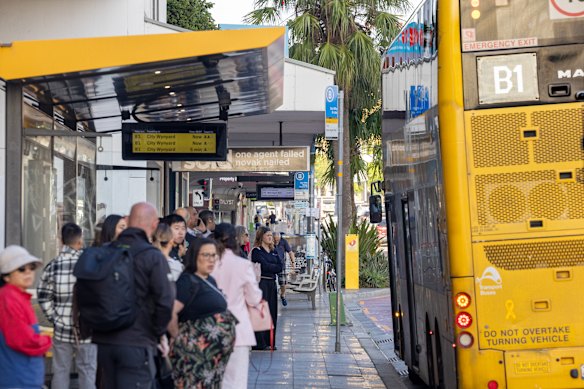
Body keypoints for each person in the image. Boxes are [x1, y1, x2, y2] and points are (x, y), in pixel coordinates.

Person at [91, 202, 175, 389]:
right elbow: (165, 301)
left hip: (104, 341)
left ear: (128, 221)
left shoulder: (105, 252)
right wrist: (157, 333)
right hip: (137, 342)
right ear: (154, 225)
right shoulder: (153, 256)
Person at [169, 238, 238, 388]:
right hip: (195, 357)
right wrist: (181, 341)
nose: (211, 260)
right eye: (205, 255)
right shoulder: (187, 281)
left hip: (212, 359)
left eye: (213, 255)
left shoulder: (209, 280)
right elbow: (170, 313)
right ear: (194, 256)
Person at [37, 223, 98, 389]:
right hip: (86, 330)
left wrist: (55, 318)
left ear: (60, 240)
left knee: (60, 371)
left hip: (62, 330)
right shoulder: (90, 265)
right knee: (87, 371)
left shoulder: (53, 266)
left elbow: (43, 296)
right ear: (80, 241)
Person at [211, 223, 263, 388]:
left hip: (211, 327)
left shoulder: (207, 263)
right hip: (238, 329)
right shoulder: (243, 265)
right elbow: (255, 299)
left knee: (213, 378)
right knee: (236, 381)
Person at [0, 245, 52, 388]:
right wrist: (46, 340)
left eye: (32, 267)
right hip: (18, 380)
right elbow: (23, 340)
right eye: (22, 269)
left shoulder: (16, 297)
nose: (28, 272)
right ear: (6, 276)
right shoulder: (9, 299)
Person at [251, 227, 282, 350]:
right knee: (261, 312)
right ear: (261, 236)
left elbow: (280, 266)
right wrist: (272, 266)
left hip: (272, 284)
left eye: (271, 235)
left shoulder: (274, 251)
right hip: (261, 283)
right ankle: (260, 342)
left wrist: (271, 266)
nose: (270, 237)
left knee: (272, 312)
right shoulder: (256, 251)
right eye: (268, 235)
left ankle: (270, 341)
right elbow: (264, 266)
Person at [274, 232, 296, 307]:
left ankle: (282, 295)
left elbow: (290, 252)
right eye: (275, 240)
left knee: (283, 283)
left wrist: (293, 263)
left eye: (277, 240)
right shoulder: (270, 240)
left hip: (281, 265)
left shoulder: (283, 241)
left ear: (280, 238)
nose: (276, 242)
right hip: (271, 264)